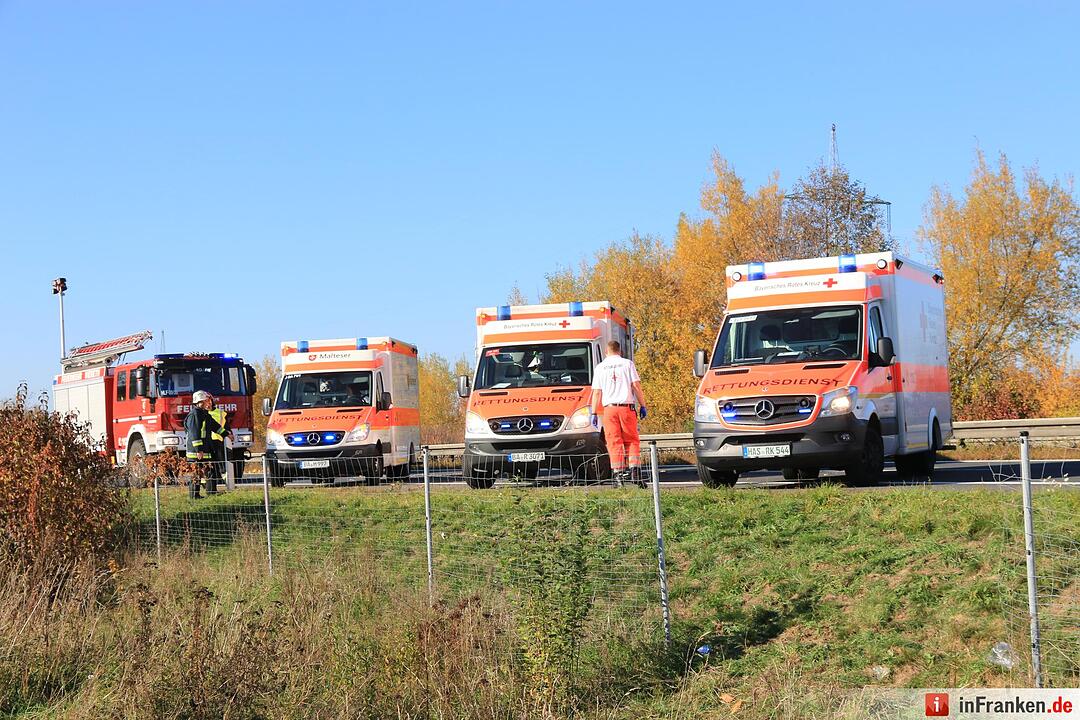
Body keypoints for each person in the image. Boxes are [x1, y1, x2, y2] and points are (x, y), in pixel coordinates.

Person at [589, 340, 647, 485]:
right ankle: (634, 471)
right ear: (619, 351)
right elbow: (636, 386)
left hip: (609, 409)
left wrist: (594, 413)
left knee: (613, 442)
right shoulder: (628, 364)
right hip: (626, 408)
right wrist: (643, 405)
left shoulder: (600, 368)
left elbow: (596, 393)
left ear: (606, 352)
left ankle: (618, 475)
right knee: (632, 440)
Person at [184, 390, 229, 499]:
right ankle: (194, 496)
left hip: (205, 449)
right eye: (207, 400)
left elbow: (215, 426)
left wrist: (226, 434)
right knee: (196, 473)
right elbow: (194, 433)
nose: (209, 402)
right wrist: (198, 449)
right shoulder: (195, 415)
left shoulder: (204, 414)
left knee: (210, 471)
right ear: (200, 402)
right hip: (196, 452)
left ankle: (211, 493)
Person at [207, 395, 232, 493]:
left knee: (222, 465)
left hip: (218, 442)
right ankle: (208, 486)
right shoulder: (201, 414)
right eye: (206, 402)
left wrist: (229, 434)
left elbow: (226, 427)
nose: (208, 404)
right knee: (209, 465)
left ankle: (228, 484)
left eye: (209, 401)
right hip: (207, 443)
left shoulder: (221, 413)